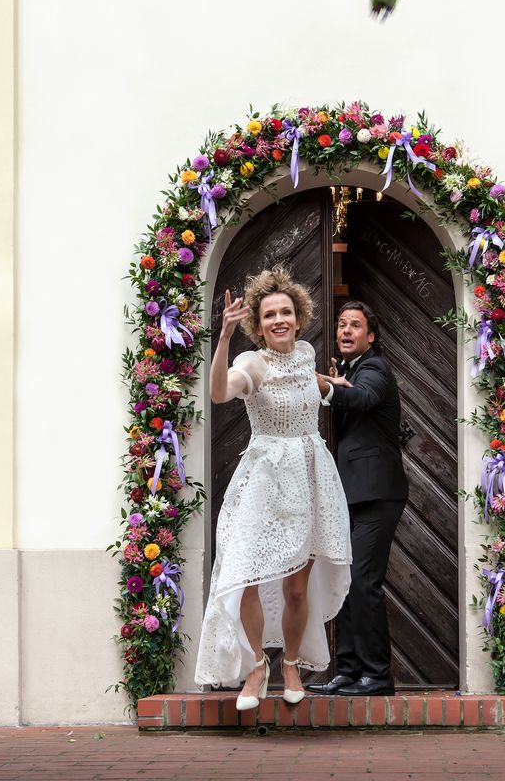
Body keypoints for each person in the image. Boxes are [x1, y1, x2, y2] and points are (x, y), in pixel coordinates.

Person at [194, 267, 351, 709]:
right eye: (269, 315)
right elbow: (221, 392)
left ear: (298, 318)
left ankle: (292, 665)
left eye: (286, 312)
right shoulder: (250, 363)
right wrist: (223, 339)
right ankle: (257, 667)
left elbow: (308, 381)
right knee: (246, 577)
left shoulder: (304, 355)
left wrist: (329, 383)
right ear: (257, 325)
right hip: (263, 483)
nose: (278, 320)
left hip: (308, 480)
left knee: (297, 589)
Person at [306, 301, 408, 697]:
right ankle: (347, 672)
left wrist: (322, 383)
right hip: (350, 494)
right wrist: (335, 382)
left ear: (371, 336)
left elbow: (361, 399)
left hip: (377, 494)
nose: (346, 330)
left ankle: (377, 676)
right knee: (344, 583)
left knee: (364, 583)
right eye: (342, 325)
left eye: (355, 325)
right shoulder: (348, 371)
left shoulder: (374, 368)